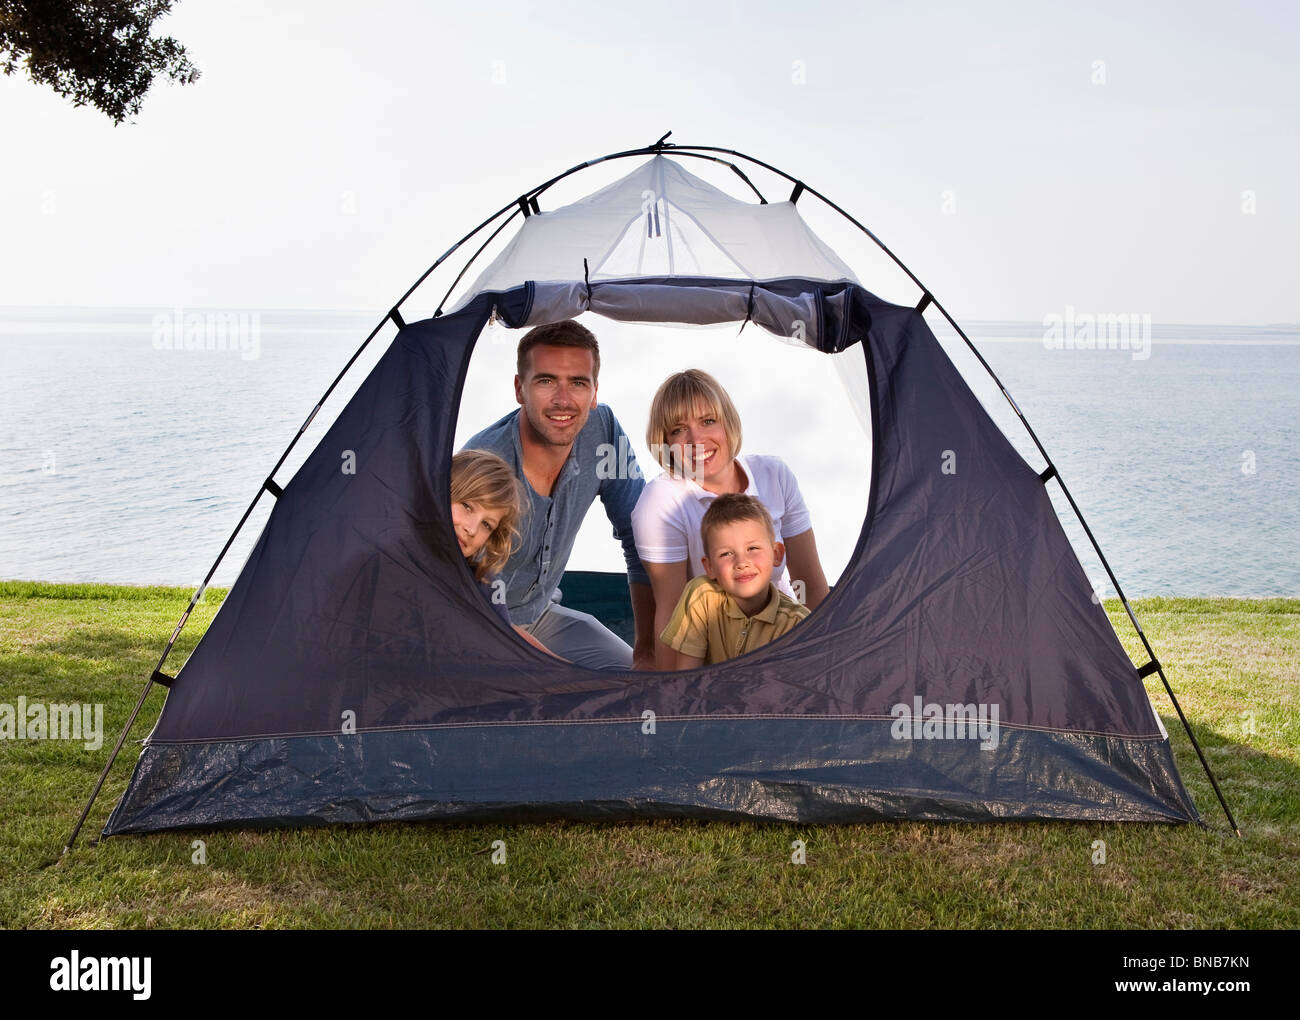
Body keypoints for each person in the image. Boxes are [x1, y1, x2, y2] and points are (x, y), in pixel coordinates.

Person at [460, 320, 656, 671]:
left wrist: (646, 649)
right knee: (558, 703)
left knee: (636, 685)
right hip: (478, 627)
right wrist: (561, 677)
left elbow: (640, 535)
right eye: (546, 381)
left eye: (578, 383)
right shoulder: (485, 462)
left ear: (594, 392)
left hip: (544, 613)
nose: (563, 400)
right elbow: (464, 600)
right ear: (520, 389)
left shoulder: (603, 431)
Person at [631, 368, 829, 670]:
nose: (697, 439)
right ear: (665, 442)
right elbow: (670, 613)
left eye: (708, 421)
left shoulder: (775, 475)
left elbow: (810, 585)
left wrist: (815, 664)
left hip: (780, 634)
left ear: (728, 424)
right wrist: (673, 698)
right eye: (679, 429)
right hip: (709, 651)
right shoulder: (660, 502)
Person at [659, 493, 810, 668]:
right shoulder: (702, 596)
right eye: (726, 554)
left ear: (776, 554)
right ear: (710, 567)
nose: (741, 563)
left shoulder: (796, 623)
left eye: (752, 548)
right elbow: (686, 679)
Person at [449, 449, 563, 660]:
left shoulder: (483, 586)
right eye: (467, 506)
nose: (472, 529)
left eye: (486, 524)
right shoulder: (393, 556)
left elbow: (507, 641)